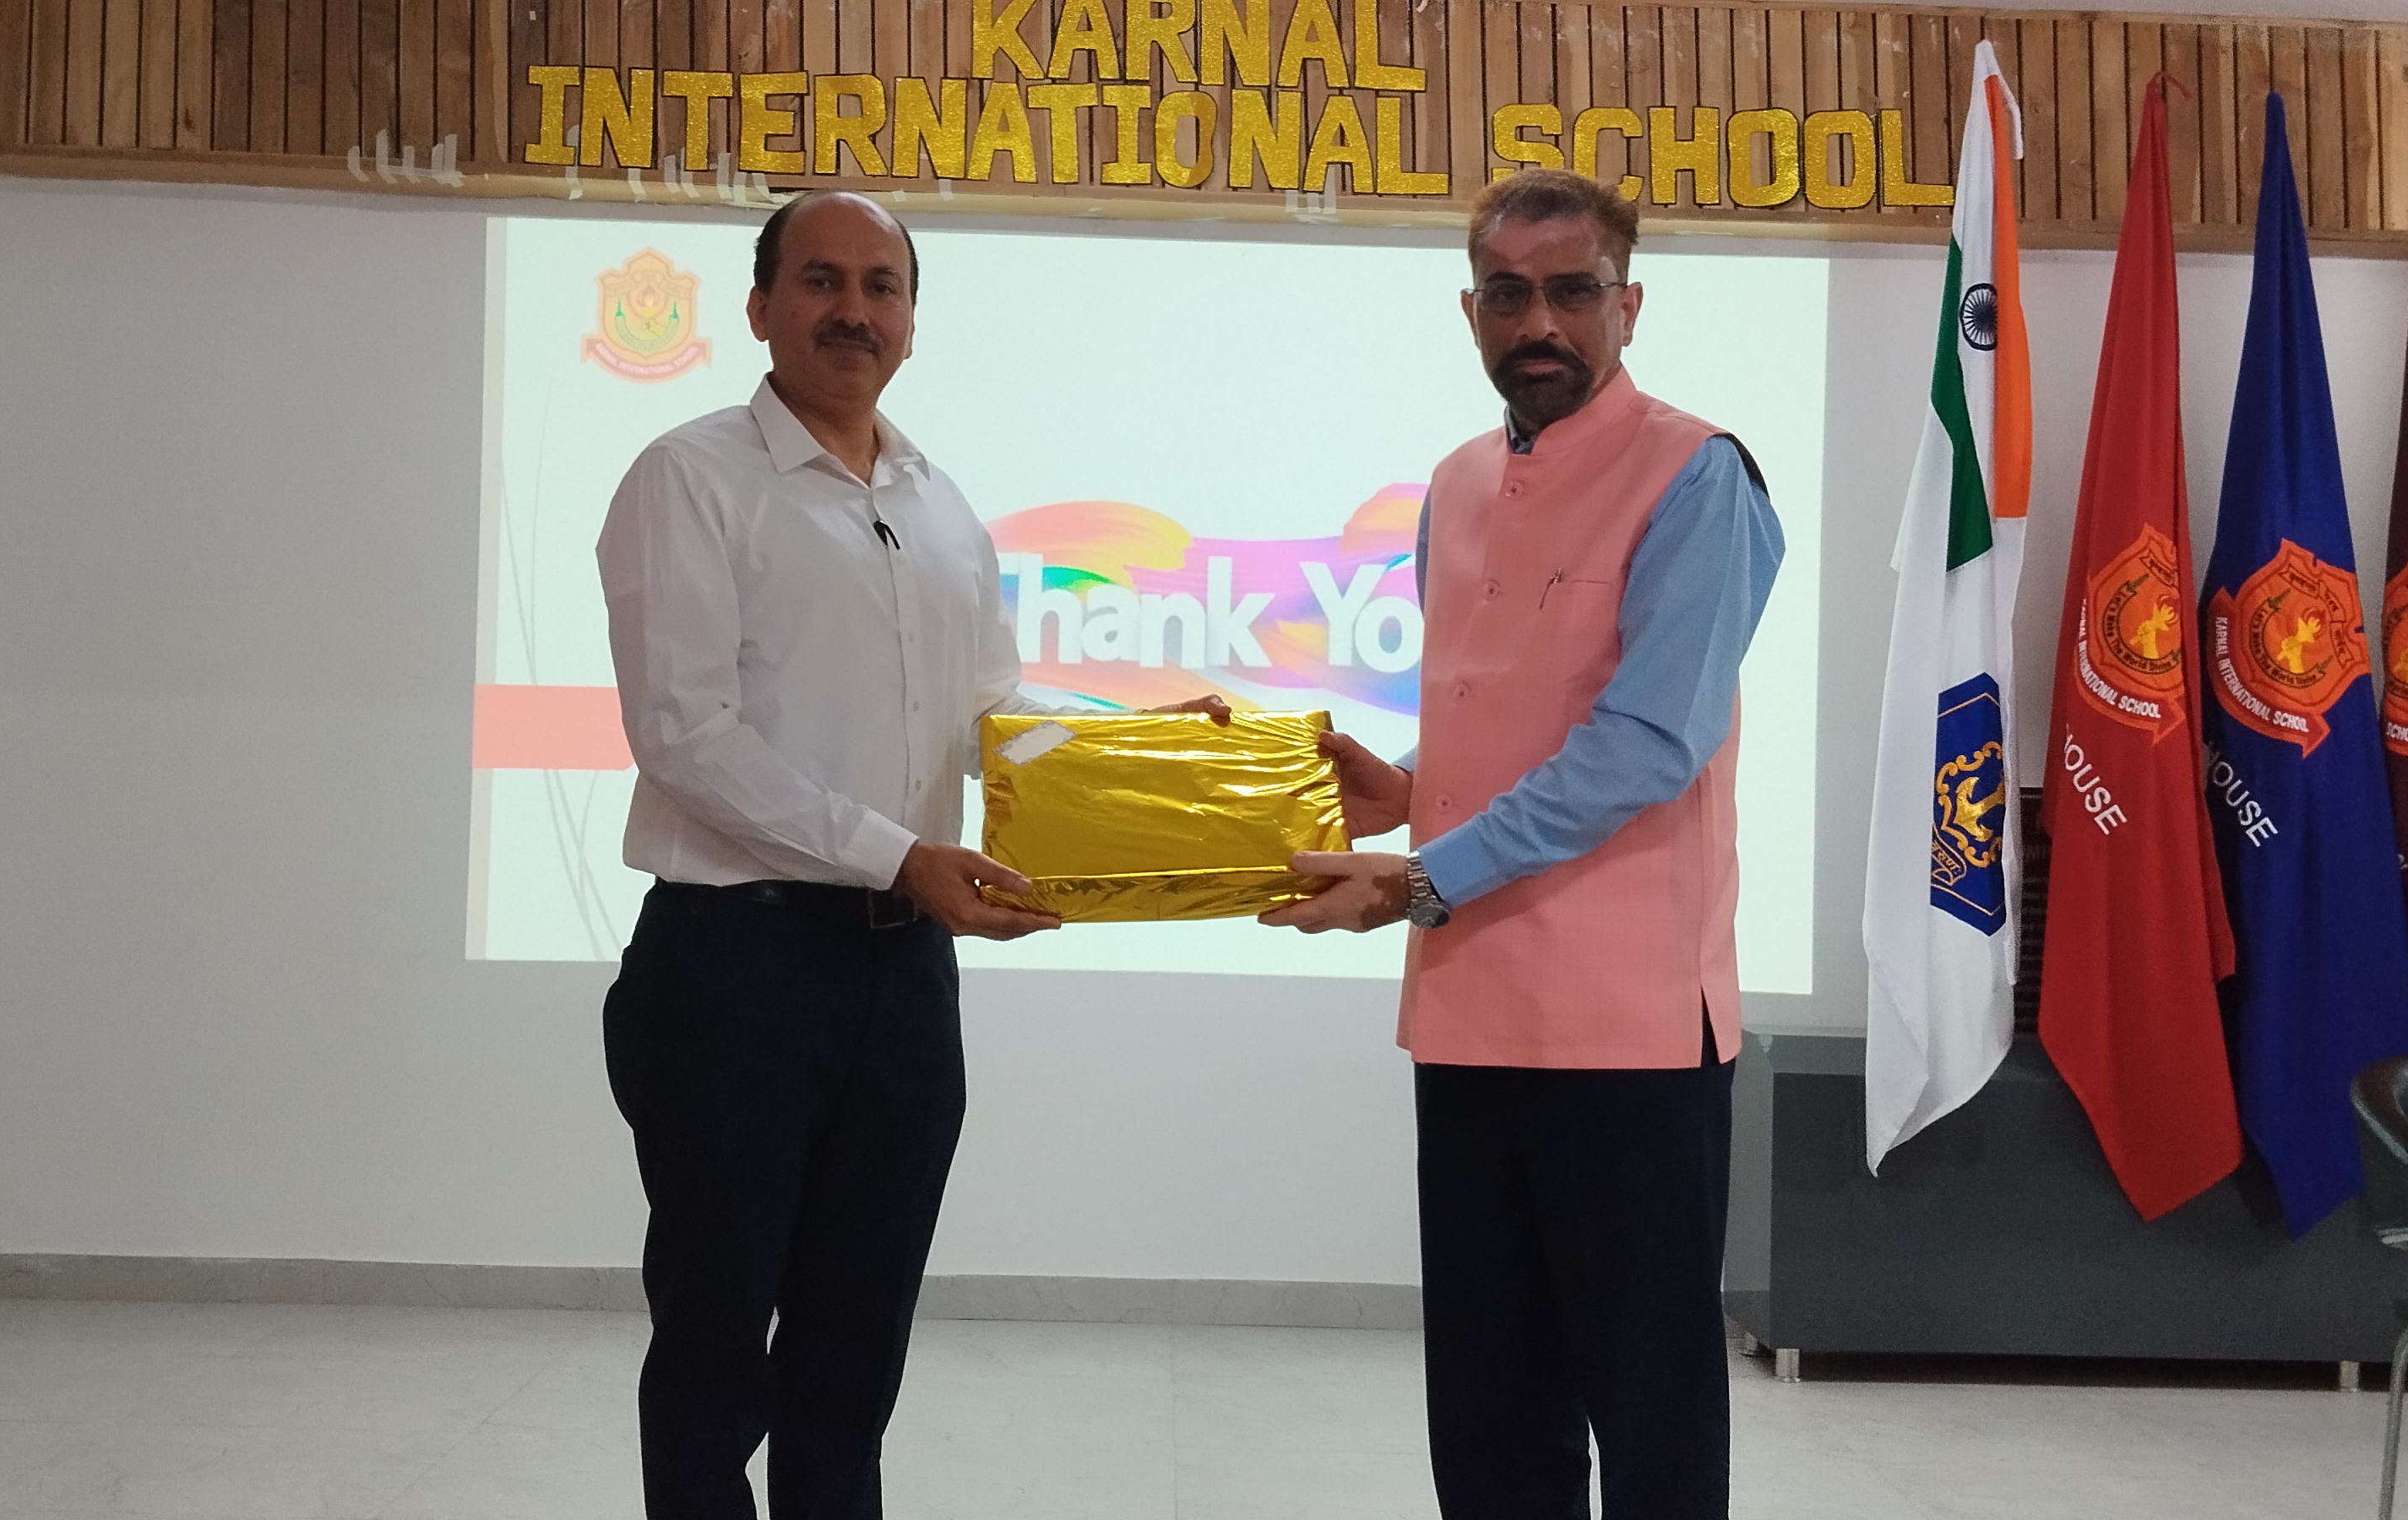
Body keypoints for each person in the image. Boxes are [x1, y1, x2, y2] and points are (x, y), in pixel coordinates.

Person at [593, 190, 1214, 1519]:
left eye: (883, 286)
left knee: (855, 1351)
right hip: (734, 971)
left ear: (914, 323)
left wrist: (1151, 748)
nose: (853, 310)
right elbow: (686, 736)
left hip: (903, 983)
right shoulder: (690, 479)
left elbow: (991, 716)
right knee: (714, 1344)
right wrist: (898, 855)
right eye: (821, 281)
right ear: (760, 308)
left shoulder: (938, 506)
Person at [1261, 166, 1784, 1519]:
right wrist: (1407, 790)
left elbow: (1648, 744)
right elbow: (1521, 714)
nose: (1537, 322)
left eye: (1570, 292)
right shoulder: (1455, 482)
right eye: (1507, 294)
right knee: (1491, 1419)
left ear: (1630, 304)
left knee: (1651, 1419)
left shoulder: (1699, 475)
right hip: (1468, 1013)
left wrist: (1424, 874)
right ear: (1469, 311)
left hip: (1629, 1038)